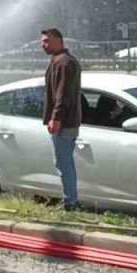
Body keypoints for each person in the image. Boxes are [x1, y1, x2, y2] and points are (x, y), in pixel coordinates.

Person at [42, 28, 82, 211]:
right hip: (68, 121)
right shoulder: (63, 61)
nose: (43, 45)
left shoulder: (63, 63)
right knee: (65, 161)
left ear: (59, 40)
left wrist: (56, 118)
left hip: (64, 123)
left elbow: (62, 94)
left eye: (46, 41)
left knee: (63, 162)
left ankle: (70, 203)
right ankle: (70, 199)